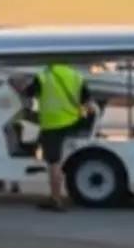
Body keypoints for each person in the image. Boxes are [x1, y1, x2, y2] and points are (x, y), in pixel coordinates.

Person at [14, 63, 99, 212]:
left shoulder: (44, 77)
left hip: (53, 125)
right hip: (73, 122)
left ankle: (56, 199)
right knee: (52, 155)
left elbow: (28, 93)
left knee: (54, 163)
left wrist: (17, 86)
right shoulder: (76, 77)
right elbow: (90, 105)